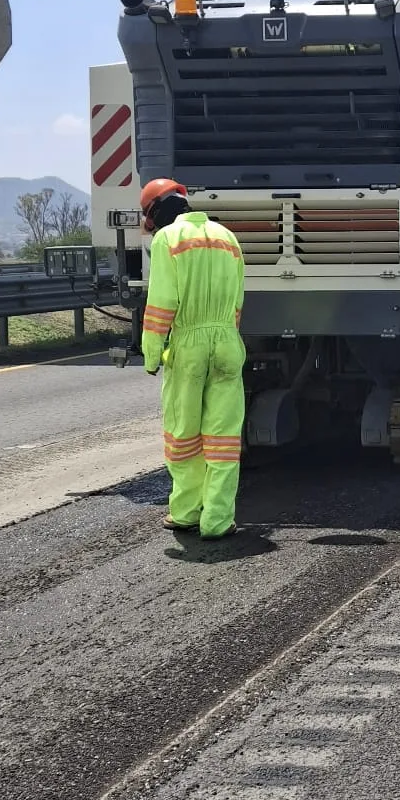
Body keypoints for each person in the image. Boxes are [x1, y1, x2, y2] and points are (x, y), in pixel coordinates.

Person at [139, 178, 246, 538]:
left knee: (184, 435)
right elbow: (237, 300)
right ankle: (217, 520)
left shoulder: (167, 240)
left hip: (188, 344)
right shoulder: (228, 238)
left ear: (156, 212)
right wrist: (226, 337)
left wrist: (152, 353)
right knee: (223, 439)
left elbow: (161, 303)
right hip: (227, 342)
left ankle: (185, 513)